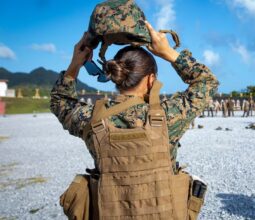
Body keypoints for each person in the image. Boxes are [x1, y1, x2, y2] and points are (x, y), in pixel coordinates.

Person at [50, 22, 218, 219]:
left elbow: (59, 100)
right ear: (150, 80)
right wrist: (168, 52)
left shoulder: (91, 119)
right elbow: (207, 81)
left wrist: (75, 64)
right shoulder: (169, 116)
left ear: (115, 76)